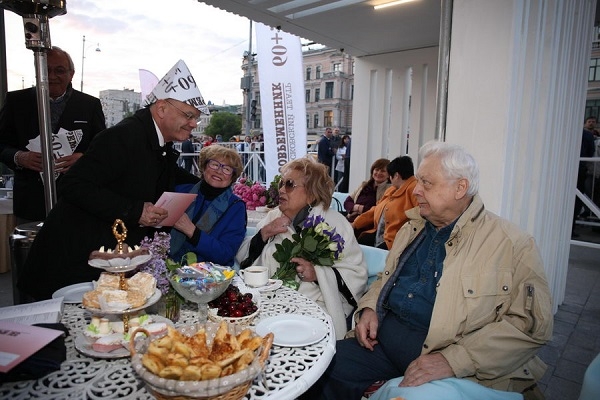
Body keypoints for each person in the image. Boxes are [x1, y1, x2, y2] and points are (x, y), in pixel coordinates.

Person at [303, 141, 553, 400]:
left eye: (427, 183)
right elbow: (383, 280)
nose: (417, 190)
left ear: (460, 188)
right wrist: (369, 307)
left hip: (458, 370)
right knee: (312, 368)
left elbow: (530, 326)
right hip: (380, 346)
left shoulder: (512, 244)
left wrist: (453, 360)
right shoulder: (412, 228)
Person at [18, 60, 208, 300]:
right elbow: (74, 185)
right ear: (161, 109)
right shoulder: (124, 136)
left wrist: (214, 182)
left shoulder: (158, 141)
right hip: (71, 263)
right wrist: (135, 210)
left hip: (100, 261)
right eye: (189, 116)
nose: (193, 124)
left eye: (196, 118)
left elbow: (166, 173)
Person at [236, 157, 368, 339]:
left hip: (314, 308)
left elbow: (356, 274)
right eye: (282, 183)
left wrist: (318, 273)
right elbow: (243, 258)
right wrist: (264, 234)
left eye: (289, 184)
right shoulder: (273, 217)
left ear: (312, 193)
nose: (281, 189)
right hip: (269, 303)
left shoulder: (335, 224)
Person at [0, 46, 106, 225]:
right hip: (30, 203)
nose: (52, 76)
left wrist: (84, 159)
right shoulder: (16, 102)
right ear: (37, 71)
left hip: (78, 202)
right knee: (32, 253)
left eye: (59, 70)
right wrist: (19, 157)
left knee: (74, 253)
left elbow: (103, 149)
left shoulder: (90, 105)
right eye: (46, 69)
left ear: (71, 74)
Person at [170, 145, 246, 266]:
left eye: (227, 169)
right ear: (204, 167)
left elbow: (225, 254)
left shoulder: (236, 207)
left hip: (211, 275)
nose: (219, 171)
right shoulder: (181, 191)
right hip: (168, 266)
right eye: (214, 164)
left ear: (232, 178)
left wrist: (192, 231)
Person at [352, 156, 418, 250]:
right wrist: (355, 224)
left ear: (396, 176)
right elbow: (375, 210)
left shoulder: (414, 190)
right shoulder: (392, 190)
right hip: (379, 236)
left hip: (396, 242)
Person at [344, 158, 391, 223]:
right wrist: (358, 208)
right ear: (372, 171)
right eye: (376, 170)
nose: (379, 173)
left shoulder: (389, 189)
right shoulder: (364, 185)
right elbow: (347, 202)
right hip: (351, 220)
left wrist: (359, 209)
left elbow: (379, 210)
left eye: (383, 171)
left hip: (369, 224)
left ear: (389, 175)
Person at [573, 116, 597, 236]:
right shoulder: (587, 136)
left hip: (569, 168)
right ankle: (570, 228)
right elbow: (591, 152)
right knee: (576, 199)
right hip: (580, 169)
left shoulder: (569, 133)